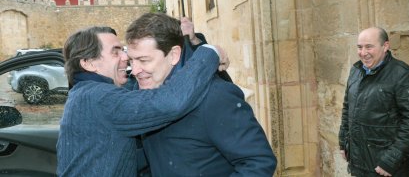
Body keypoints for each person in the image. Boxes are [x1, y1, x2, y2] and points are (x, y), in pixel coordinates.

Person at [57, 26, 228, 176]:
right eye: (115, 51)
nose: (125, 56)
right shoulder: (99, 98)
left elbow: (112, 155)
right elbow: (171, 102)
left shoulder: (83, 95)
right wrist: (209, 52)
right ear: (88, 63)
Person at [126, 13, 277, 176]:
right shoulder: (140, 94)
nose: (134, 71)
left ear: (174, 55)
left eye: (144, 60)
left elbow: (258, 162)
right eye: (131, 61)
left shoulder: (216, 96)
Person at [338, 27, 409, 177]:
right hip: (359, 162)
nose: (363, 53)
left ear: (385, 46)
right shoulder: (356, 70)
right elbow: (347, 108)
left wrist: (391, 161)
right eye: (360, 47)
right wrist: (344, 143)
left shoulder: (402, 75)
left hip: (386, 167)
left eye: (369, 47)